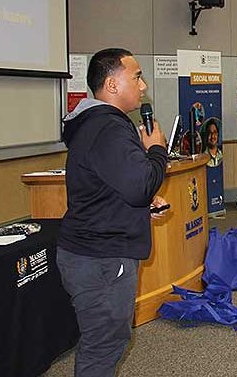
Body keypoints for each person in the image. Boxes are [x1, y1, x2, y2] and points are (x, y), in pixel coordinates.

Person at [58, 48, 170, 377]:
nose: (144, 85)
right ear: (111, 84)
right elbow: (140, 184)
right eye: (136, 77)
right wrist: (157, 150)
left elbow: (111, 187)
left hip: (92, 253)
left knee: (104, 343)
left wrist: (139, 207)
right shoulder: (108, 128)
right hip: (102, 260)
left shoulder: (96, 124)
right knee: (104, 346)